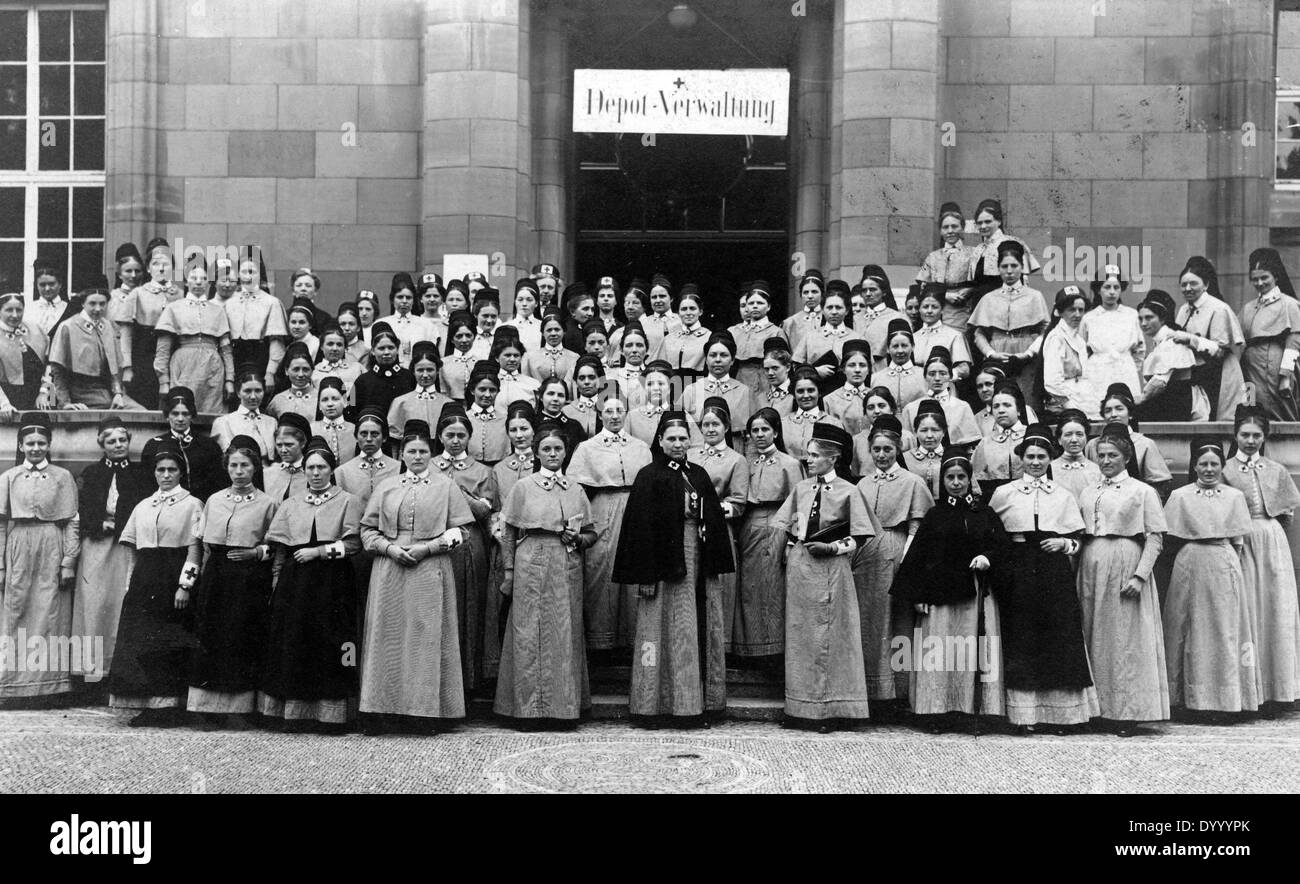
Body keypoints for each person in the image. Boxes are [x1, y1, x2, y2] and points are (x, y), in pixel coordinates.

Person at [612, 411, 733, 725]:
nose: (678, 444)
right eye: (672, 439)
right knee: (654, 634)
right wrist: (645, 574)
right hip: (661, 568)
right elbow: (638, 529)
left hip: (695, 563)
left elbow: (714, 521)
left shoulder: (700, 474)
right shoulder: (648, 476)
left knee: (689, 631)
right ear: (661, 442)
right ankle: (651, 703)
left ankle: (692, 703)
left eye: (683, 439)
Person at [359, 420, 476, 734]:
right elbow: (367, 531)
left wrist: (429, 547)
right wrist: (389, 548)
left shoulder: (445, 486)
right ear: (402, 453)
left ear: (431, 453)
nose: (418, 456)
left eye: (424, 451)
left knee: (426, 640)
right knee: (389, 638)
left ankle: (424, 712)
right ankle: (383, 711)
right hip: (389, 571)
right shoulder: (386, 486)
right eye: (411, 451)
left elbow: (461, 531)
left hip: (430, 568)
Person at [987, 424, 1098, 733]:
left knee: (1058, 637)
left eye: (1042, 456)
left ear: (1050, 458)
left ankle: (1061, 715)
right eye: (1030, 456)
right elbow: (993, 535)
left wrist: (1064, 544)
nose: (1035, 462)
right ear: (1021, 458)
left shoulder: (1063, 495)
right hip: (1019, 569)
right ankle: (1023, 715)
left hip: (1053, 572)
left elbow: (1078, 541)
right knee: (1021, 637)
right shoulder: (1004, 493)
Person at [891, 448, 1006, 732]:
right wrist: (918, 595)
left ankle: (970, 711)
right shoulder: (935, 515)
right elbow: (917, 557)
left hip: (975, 593)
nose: (956, 483)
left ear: (970, 480)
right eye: (950, 478)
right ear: (943, 481)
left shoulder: (984, 513)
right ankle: (935, 711)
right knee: (939, 652)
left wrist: (987, 557)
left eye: (961, 477)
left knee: (971, 651)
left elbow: (1002, 546)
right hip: (939, 596)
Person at [773, 422, 875, 731]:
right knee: (801, 634)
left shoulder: (849, 491)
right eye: (808, 455)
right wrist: (791, 550)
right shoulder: (801, 488)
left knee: (830, 635)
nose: (809, 460)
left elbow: (861, 536)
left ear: (832, 458)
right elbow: (793, 527)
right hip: (802, 569)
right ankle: (800, 707)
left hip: (832, 567)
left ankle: (831, 709)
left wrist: (832, 547)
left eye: (815, 455)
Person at [494, 424, 596, 726]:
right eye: (546, 449)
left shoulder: (575, 489)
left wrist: (576, 539)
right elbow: (508, 532)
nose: (553, 455)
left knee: (563, 632)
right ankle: (527, 709)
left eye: (558, 449)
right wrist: (510, 571)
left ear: (566, 454)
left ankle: (562, 708)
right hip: (531, 562)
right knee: (528, 632)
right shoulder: (523, 487)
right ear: (537, 453)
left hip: (566, 566)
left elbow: (591, 533)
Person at [260, 437, 363, 732]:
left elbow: (353, 545)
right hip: (296, 585)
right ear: (304, 471)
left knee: (338, 644)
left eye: (321, 467)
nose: (316, 473)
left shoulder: (348, 501)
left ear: (332, 470)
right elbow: (280, 548)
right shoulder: (291, 504)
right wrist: (277, 582)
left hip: (334, 583)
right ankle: (294, 712)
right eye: (310, 468)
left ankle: (333, 715)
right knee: (294, 640)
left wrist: (319, 551)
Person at [1074, 423, 1169, 736]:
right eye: (1100, 455)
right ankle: (1096, 709)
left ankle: (1126, 712)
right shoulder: (1089, 491)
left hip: (1126, 563)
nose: (1105, 460)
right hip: (1090, 564)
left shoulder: (1142, 492)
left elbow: (1155, 538)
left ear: (1126, 457)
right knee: (1093, 636)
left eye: (1112, 455)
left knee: (1123, 641)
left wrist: (1140, 576)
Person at [108, 439, 202, 726]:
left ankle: (171, 704)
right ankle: (149, 703)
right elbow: (134, 552)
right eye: (161, 469)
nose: (165, 475)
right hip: (145, 581)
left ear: (180, 472)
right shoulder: (143, 506)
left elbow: (195, 550)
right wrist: (129, 585)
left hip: (172, 579)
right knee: (142, 642)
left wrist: (185, 586)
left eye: (172, 469)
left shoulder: (192, 504)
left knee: (169, 641)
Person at [1163, 440, 1258, 719]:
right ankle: (1185, 699)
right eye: (1203, 464)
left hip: (1222, 560)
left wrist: (1228, 564)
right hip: (1190, 562)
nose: (1208, 469)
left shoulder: (1234, 496)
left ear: (1222, 466)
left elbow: (1238, 541)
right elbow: (1170, 538)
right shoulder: (1181, 496)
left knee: (1224, 629)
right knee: (1186, 626)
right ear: (1194, 466)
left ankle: (1225, 699)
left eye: (1214, 464)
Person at [187, 435, 277, 727]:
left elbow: (275, 547)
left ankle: (241, 707)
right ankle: (208, 706)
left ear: (255, 468)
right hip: (216, 576)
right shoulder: (214, 500)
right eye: (234, 465)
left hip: (248, 579)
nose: (239, 471)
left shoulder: (267, 503)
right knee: (211, 636)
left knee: (240, 638)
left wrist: (255, 553)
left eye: (245, 466)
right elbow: (201, 542)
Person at [1220, 406, 1300, 709]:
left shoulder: (1275, 469)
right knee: (1249, 608)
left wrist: (1269, 530)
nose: (1250, 441)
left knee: (1274, 607)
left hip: (1272, 541)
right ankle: (1249, 690)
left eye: (1256, 435)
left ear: (1264, 437)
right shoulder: (1225, 469)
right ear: (1235, 435)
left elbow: (1286, 516)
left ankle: (1278, 689)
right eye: (1245, 435)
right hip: (1242, 541)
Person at [853, 415, 933, 708]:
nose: (882, 455)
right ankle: (871, 691)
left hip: (899, 551)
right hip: (865, 556)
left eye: (888, 449)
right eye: (877, 450)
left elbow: (917, 524)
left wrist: (908, 559)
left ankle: (899, 693)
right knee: (869, 621)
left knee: (898, 622)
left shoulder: (912, 482)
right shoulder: (863, 483)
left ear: (898, 450)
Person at [0, 416, 79, 701]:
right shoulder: (8, 478)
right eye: (30, 443)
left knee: (50, 612)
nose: (35, 448)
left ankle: (50, 686)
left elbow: (72, 521)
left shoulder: (62, 477)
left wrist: (68, 561)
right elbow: (0, 524)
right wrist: (0, 564)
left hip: (51, 544)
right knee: (16, 609)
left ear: (49, 445)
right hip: (19, 545)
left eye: (41, 443)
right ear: (20, 445)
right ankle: (11, 685)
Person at [567, 397, 653, 656]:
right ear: (599, 413)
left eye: (619, 410)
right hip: (602, 505)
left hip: (636, 508)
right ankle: (601, 641)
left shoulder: (640, 446)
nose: (614, 416)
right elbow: (575, 487)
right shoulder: (587, 447)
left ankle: (632, 640)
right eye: (608, 411)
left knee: (636, 568)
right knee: (601, 567)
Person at [73, 417, 151, 690]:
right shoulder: (92, 473)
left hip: (125, 548)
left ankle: (118, 674)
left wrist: (120, 527)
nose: (118, 445)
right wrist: (99, 524)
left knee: (120, 605)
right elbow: (80, 511)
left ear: (128, 440)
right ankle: (91, 675)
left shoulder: (141, 473)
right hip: (96, 547)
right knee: (94, 606)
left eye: (121, 440)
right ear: (101, 444)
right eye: (111, 441)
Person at [432, 404, 500, 696]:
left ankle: (468, 682)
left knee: (468, 608)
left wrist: (455, 492)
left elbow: (484, 512)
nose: (456, 440)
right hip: (433, 542)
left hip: (469, 545)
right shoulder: (429, 464)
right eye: (450, 434)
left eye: (461, 434)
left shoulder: (482, 470)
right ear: (440, 435)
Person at [687, 397, 750, 713]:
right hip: (688, 532)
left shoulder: (736, 460)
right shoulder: (689, 455)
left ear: (726, 427)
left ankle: (715, 662)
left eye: (716, 424)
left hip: (718, 530)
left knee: (715, 595)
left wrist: (709, 510)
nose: (710, 429)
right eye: (705, 424)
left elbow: (738, 503)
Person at [735, 408, 803, 662]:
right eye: (755, 430)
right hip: (749, 526)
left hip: (777, 527)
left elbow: (798, 504)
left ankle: (774, 649)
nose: (760, 435)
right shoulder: (746, 463)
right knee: (750, 590)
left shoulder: (790, 463)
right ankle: (752, 647)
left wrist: (793, 540)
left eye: (765, 429)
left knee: (772, 590)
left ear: (776, 432)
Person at [969, 239, 1048, 412]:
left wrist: (1028, 353)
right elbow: (979, 333)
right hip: (998, 355)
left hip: (1026, 357)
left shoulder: (1035, 296)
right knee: (999, 404)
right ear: (998, 269)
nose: (1010, 271)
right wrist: (991, 353)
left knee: (1026, 404)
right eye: (1005, 266)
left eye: (1014, 265)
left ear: (1022, 267)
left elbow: (1044, 331)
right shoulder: (989, 298)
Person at [154, 261, 235, 414]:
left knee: (212, 412)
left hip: (213, 366)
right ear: (186, 281)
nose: (198, 282)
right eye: (193, 277)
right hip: (183, 366)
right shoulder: (174, 308)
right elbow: (162, 350)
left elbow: (226, 349)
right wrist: (163, 381)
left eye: (203, 278)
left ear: (208, 282)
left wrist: (229, 380)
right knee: (183, 408)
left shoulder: (218, 311)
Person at [1173, 256, 1247, 420]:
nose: (1188, 288)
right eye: (1184, 284)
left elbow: (1220, 350)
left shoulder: (1218, 308)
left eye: (1193, 283)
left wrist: (1190, 340)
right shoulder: (1183, 309)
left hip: (1218, 374)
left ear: (1206, 285)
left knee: (1217, 417)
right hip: (1196, 374)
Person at [45, 283, 132, 409]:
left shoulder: (109, 326)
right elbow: (58, 370)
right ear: (83, 304)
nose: (98, 309)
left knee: (140, 411)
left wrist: (118, 393)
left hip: (107, 389)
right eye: (92, 303)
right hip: (79, 391)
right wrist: (65, 403)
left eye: (102, 304)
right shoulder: (68, 326)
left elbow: (115, 366)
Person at [1240, 248, 1300, 421]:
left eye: (1264, 277)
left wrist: (1285, 377)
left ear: (1275, 276)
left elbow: (1294, 341)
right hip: (1249, 369)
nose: (1260, 283)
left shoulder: (1289, 304)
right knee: (1251, 412)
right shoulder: (1248, 308)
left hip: (1272, 368)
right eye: (1255, 279)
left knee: (1277, 412)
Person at [1085, 383, 1172, 500]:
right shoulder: (1093, 445)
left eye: (1119, 409)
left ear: (1130, 414)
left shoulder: (1145, 443)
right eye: (1108, 410)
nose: (1113, 415)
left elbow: (1159, 484)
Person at [141, 387, 225, 502]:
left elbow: (218, 484)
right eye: (175, 413)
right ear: (167, 415)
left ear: (192, 415)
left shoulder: (209, 446)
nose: (180, 419)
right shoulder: (153, 446)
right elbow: (146, 486)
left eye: (185, 414)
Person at [1080, 265, 1144, 415]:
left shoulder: (1131, 315)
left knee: (1126, 409)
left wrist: (1129, 365)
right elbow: (1082, 349)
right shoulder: (1089, 318)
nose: (1112, 292)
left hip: (1125, 367)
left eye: (1116, 287)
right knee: (1099, 409)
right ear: (1098, 289)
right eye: (1107, 287)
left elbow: (1139, 349)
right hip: (1098, 370)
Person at [126, 241, 182, 410]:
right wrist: (127, 367)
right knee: (147, 396)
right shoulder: (137, 293)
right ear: (148, 268)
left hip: (174, 350)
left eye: (166, 264)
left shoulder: (181, 294)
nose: (161, 268)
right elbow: (126, 333)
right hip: (145, 352)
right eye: (156, 264)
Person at [1134, 290, 1203, 422]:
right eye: (1140, 318)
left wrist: (1141, 399)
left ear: (1162, 318)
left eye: (1149, 318)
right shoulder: (1158, 342)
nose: (1143, 323)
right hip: (1166, 400)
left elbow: (1160, 381)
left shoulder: (1172, 340)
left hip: (1175, 402)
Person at [223, 251, 287, 390]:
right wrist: (229, 376)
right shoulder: (229, 302)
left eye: (252, 272)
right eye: (244, 271)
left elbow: (276, 342)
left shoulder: (272, 303)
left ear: (260, 275)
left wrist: (270, 372)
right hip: (235, 360)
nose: (248, 276)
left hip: (260, 357)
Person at [681, 333, 753, 454]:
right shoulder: (691, 390)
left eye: (724, 355)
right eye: (713, 355)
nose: (718, 360)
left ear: (732, 360)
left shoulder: (744, 391)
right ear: (706, 359)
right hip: (697, 453)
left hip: (735, 452)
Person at [915, 202, 977, 332]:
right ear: (940, 230)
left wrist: (969, 290)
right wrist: (946, 295)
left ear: (962, 228)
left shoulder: (973, 254)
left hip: (963, 311)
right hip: (935, 312)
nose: (950, 231)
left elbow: (981, 282)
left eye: (954, 226)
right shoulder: (933, 257)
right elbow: (923, 286)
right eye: (945, 227)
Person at [900, 347, 981, 446]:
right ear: (925, 376)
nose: (937, 378)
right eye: (932, 374)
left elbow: (971, 444)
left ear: (950, 376)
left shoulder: (962, 407)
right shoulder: (911, 409)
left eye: (943, 373)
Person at [1041, 285, 1093, 419]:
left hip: (1083, 400)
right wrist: (1071, 407)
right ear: (1060, 311)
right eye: (1071, 310)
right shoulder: (1056, 338)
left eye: (1081, 310)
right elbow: (1052, 383)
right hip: (1063, 406)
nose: (1077, 314)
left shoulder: (1079, 339)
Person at [971, 383, 1029, 502]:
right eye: (996, 406)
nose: (1001, 410)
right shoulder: (985, 442)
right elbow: (975, 479)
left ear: (1019, 410)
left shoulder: (1030, 437)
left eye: (1007, 405)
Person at [792, 282, 854, 391]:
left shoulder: (856, 338)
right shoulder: (810, 337)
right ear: (823, 310)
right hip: (816, 392)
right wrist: (814, 371)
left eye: (838, 308)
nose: (834, 312)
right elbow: (795, 367)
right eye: (829, 307)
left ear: (847, 311)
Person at [387, 340, 452, 442]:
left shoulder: (448, 403)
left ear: (438, 371)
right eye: (420, 370)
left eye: (430, 370)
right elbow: (394, 440)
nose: (425, 375)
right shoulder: (400, 402)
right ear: (413, 371)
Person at [0, 291, 53, 415]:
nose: (15, 315)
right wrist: (4, 404)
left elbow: (51, 367)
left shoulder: (35, 329)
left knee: (51, 414)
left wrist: (45, 393)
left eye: (19, 310)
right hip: (7, 400)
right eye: (9, 310)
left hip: (42, 395)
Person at [210, 369, 277, 462]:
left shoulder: (271, 422)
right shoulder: (224, 422)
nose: (253, 397)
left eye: (258, 391)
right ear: (238, 393)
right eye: (247, 391)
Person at [351, 324, 415, 422]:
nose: (386, 352)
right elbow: (351, 411)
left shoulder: (409, 377)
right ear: (372, 351)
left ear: (397, 349)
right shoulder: (362, 381)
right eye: (381, 348)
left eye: (391, 348)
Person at [730, 281, 784, 395]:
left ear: (768, 306)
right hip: (738, 380)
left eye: (759, 303)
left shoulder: (775, 332)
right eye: (751, 303)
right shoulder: (735, 331)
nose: (755, 306)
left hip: (764, 382)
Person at [108, 243, 145, 401]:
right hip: (121, 356)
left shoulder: (147, 294)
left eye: (137, 271)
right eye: (128, 271)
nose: (133, 275)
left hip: (143, 352)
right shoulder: (113, 297)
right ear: (119, 273)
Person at [855, 265, 907, 373]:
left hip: (884, 371)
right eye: (864, 290)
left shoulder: (897, 317)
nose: (868, 294)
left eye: (873, 289)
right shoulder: (855, 318)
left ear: (883, 292)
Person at [656, 286, 710, 382]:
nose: (688, 313)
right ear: (679, 313)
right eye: (684, 309)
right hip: (673, 387)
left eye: (692, 308)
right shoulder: (669, 339)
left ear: (700, 311)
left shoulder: (708, 337)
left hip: (698, 387)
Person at [822, 339, 874, 437]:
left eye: (862, 365)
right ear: (843, 369)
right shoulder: (829, 400)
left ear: (869, 369)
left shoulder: (876, 396)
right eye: (851, 365)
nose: (857, 370)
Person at [381, 272, 434, 368]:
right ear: (392, 299)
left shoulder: (426, 325)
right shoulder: (383, 323)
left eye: (408, 298)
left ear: (414, 300)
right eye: (400, 297)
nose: (404, 301)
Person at [1051, 408, 1102, 500]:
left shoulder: (1097, 470)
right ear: (1059, 440)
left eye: (1079, 434)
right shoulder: (1050, 469)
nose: (1074, 440)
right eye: (1068, 434)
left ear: (1086, 437)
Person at [877, 318, 926, 411]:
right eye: (895, 346)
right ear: (887, 348)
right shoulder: (876, 378)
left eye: (904, 345)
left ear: (913, 346)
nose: (900, 351)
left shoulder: (924, 376)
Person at [904, 400, 949, 499]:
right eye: (924, 430)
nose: (929, 436)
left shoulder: (952, 456)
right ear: (915, 432)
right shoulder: (905, 459)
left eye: (935, 430)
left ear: (944, 432)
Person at [265, 412, 311, 502]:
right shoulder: (267, 474)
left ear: (303, 443)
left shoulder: (312, 473)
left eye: (289, 445)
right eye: (279, 445)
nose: (283, 450)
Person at [267, 342, 318, 421]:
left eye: (305, 369)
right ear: (286, 371)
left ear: (312, 370)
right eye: (296, 369)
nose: (301, 374)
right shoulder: (277, 400)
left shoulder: (321, 398)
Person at [312, 324, 363, 397]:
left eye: (339, 345)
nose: (335, 348)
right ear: (321, 347)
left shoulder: (357, 368)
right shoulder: (314, 372)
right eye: (330, 344)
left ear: (345, 347)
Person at [311, 377, 354, 463]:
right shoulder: (311, 429)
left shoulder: (355, 429)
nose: (330, 404)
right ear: (319, 405)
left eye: (335, 399)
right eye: (325, 400)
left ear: (345, 402)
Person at [494, 332, 540, 411]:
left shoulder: (533, 384)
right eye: (507, 355)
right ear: (497, 358)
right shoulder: (490, 382)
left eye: (516, 356)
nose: (512, 359)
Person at [28, 262, 68, 337]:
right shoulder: (28, 309)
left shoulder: (68, 309)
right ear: (37, 286)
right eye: (42, 285)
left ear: (60, 285)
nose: (47, 289)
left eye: (51, 284)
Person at [759, 337, 796, 416]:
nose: (770, 373)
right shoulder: (761, 397)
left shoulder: (795, 395)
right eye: (766, 369)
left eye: (775, 368)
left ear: (788, 367)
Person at [503, 278, 542, 353]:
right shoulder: (505, 327)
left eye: (529, 300)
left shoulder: (542, 327)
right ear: (515, 302)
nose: (524, 304)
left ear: (536, 303)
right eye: (520, 299)